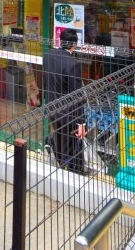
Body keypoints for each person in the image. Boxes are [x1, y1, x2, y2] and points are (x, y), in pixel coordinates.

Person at [42, 28, 86, 173]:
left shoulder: (48, 55)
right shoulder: (73, 64)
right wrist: (81, 122)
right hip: (68, 112)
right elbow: (77, 95)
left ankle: (61, 163)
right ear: (74, 44)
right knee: (71, 143)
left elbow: (45, 81)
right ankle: (71, 170)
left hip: (52, 106)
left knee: (60, 136)